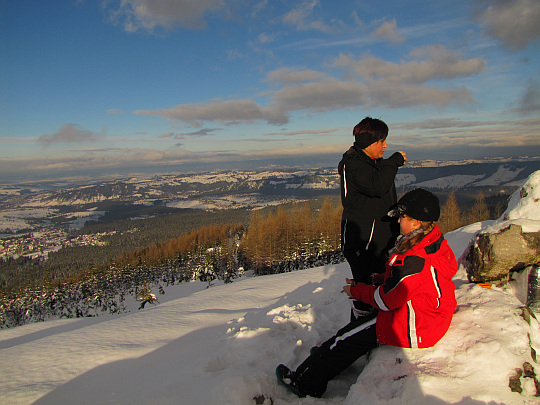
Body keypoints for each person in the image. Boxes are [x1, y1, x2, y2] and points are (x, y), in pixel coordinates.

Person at [276, 188, 457, 398]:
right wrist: (380, 279)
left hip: (415, 324)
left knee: (347, 338)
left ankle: (305, 383)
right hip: (424, 315)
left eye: (403, 217)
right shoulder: (430, 242)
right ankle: (326, 357)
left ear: (416, 222)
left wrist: (356, 290)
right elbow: (410, 282)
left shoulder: (415, 259)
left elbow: (385, 300)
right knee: (353, 331)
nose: (399, 222)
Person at [338, 117, 407, 319]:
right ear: (368, 141)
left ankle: (376, 331)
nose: (385, 145)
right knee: (365, 296)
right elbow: (376, 186)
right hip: (362, 245)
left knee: (378, 291)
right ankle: (356, 338)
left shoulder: (372, 163)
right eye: (381, 141)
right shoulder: (352, 163)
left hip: (381, 242)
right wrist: (394, 161)